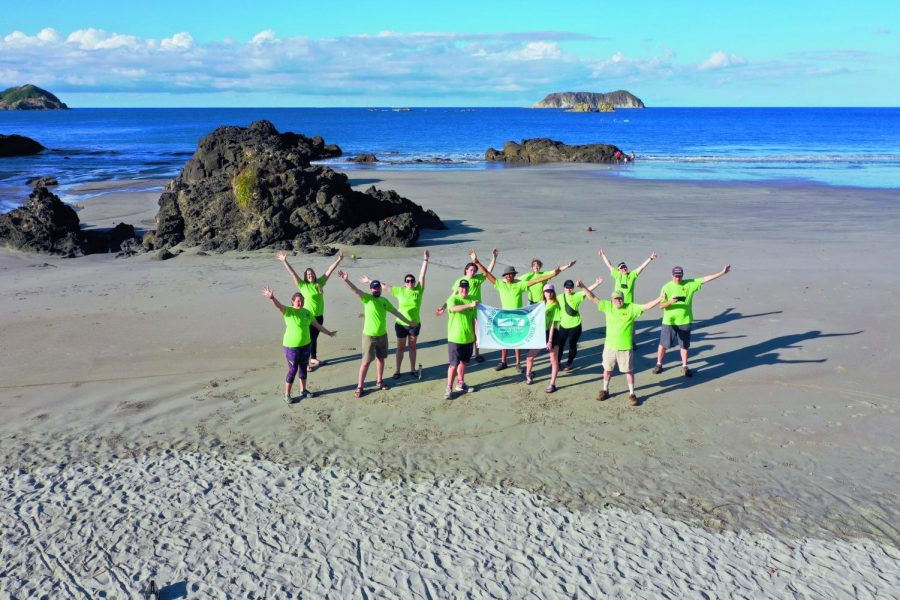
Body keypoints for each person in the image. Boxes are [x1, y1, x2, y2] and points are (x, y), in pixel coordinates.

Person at [469, 249, 571, 372]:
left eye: (511, 274)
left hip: (518, 316)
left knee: (517, 340)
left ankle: (518, 363)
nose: (509, 276)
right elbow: (486, 273)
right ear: (504, 276)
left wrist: (556, 272)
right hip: (504, 316)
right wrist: (476, 261)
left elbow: (537, 280)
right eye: (507, 275)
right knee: (503, 340)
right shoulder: (500, 284)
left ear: (514, 275)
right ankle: (503, 362)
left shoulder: (520, 285)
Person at [580, 285, 663, 406]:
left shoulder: (631, 308)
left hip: (625, 347)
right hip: (610, 346)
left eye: (620, 298)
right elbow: (592, 298)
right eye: (615, 298)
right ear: (612, 299)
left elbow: (646, 306)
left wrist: (660, 298)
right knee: (607, 369)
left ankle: (632, 394)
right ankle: (605, 390)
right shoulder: (607, 306)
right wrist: (582, 286)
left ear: (623, 299)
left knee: (628, 371)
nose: (618, 300)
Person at [338, 271, 411, 397]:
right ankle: (360, 387)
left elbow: (397, 313)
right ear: (371, 290)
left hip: (382, 335)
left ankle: (379, 381)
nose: (376, 290)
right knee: (365, 362)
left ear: (380, 289)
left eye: (378, 288)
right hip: (369, 336)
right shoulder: (367, 298)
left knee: (381, 359)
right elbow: (355, 290)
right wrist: (346, 280)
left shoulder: (384, 301)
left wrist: (409, 322)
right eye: (374, 288)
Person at [360, 250, 429, 379]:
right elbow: (384, 286)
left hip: (414, 324)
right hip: (401, 325)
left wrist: (425, 260)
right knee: (400, 349)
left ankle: (413, 369)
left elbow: (422, 276)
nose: (410, 283)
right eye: (407, 281)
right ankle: (397, 370)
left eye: (412, 281)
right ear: (404, 283)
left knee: (412, 348)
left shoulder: (419, 290)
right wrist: (369, 280)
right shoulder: (400, 291)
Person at [261, 286, 337, 403]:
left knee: (303, 368)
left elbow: (317, 325)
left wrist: (329, 333)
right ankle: (287, 395)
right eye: (297, 301)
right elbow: (279, 306)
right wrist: (272, 298)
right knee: (293, 369)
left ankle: (303, 390)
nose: (300, 303)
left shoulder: (307, 312)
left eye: (302, 301)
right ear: (292, 301)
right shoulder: (288, 311)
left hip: (306, 345)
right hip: (291, 347)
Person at [654, 264, 731, 377]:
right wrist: (670, 302)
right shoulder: (666, 287)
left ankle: (685, 366)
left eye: (680, 276)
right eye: (676, 276)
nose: (678, 278)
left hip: (685, 320)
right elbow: (661, 305)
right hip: (669, 321)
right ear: (672, 275)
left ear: (682, 275)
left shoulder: (689, 284)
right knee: (663, 344)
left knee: (684, 345)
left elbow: (705, 279)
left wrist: (722, 273)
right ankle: (659, 364)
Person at [276, 250, 344, 368]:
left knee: (314, 338)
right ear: (305, 277)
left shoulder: (320, 283)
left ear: (314, 274)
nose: (310, 275)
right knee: (308, 339)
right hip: (307, 316)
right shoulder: (303, 285)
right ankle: (306, 363)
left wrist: (338, 259)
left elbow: (329, 271)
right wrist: (284, 261)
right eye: (308, 274)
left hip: (319, 316)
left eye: (311, 273)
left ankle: (313, 359)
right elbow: (293, 273)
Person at [436, 248, 498, 362]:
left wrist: (494, 258)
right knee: (465, 329)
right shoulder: (460, 281)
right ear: (466, 270)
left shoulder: (477, 279)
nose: (473, 272)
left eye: (474, 270)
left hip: (476, 308)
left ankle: (477, 353)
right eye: (471, 270)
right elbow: (452, 295)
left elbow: (488, 272)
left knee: (477, 331)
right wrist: (444, 307)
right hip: (464, 308)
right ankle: (461, 351)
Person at [442, 279, 479, 399]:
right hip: (455, 338)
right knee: (453, 364)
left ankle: (460, 383)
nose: (464, 290)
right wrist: (470, 305)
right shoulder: (453, 299)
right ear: (458, 289)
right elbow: (453, 309)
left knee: (464, 362)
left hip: (468, 338)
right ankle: (448, 388)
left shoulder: (471, 299)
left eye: (466, 288)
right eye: (462, 288)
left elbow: (474, 320)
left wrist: (476, 336)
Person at [556, 276, 604, 372]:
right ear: (563, 287)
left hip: (575, 326)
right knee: (560, 345)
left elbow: (587, 290)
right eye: (567, 287)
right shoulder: (559, 297)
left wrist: (597, 284)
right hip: (563, 326)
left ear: (573, 288)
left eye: (570, 287)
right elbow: (549, 301)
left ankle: (569, 363)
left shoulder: (577, 295)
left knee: (572, 345)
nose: (568, 289)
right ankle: (557, 363)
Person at [524, 284, 562, 393]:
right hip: (539, 334)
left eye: (551, 292)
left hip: (552, 334)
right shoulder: (540, 304)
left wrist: (550, 341)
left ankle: (552, 384)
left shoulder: (555, 305)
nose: (549, 294)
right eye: (546, 292)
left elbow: (552, 324)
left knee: (553, 360)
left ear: (553, 293)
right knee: (529, 357)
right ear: (543, 293)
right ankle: (528, 375)